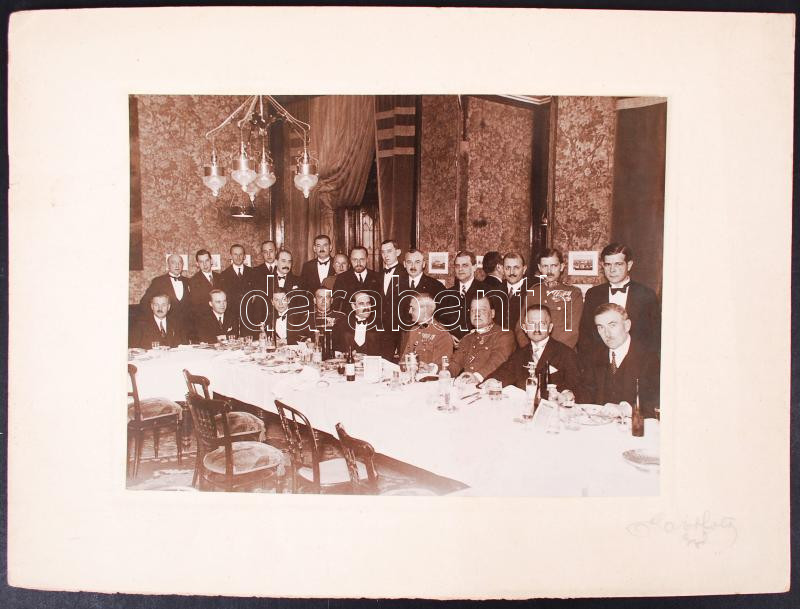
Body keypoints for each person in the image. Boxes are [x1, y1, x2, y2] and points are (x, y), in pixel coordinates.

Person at [578, 243, 661, 360]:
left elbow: (655, 335)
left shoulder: (646, 294)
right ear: (602, 265)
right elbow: (585, 333)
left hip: (637, 361)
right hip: (601, 362)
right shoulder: (593, 294)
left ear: (629, 265)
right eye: (608, 264)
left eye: (618, 264)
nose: (612, 270)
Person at [581, 303, 660, 417]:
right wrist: (570, 395)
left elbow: (654, 401)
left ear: (627, 325)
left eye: (612, 325)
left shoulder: (648, 358)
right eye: (601, 327)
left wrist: (626, 409)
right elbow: (587, 392)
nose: (606, 333)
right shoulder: (594, 355)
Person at [488, 304, 581, 394]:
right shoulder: (519, 355)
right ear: (525, 328)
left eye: (542, 323)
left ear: (550, 328)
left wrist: (567, 393)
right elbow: (502, 374)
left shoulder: (566, 354)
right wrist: (492, 381)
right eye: (532, 324)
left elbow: (577, 387)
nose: (536, 328)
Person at [448, 296, 515, 382]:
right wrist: (446, 373)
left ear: (492, 313)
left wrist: (477, 377)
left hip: (490, 385)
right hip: (467, 384)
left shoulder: (504, 335)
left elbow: (496, 361)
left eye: (482, 310)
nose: (476, 314)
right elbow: (455, 363)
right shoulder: (467, 338)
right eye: (473, 310)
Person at [435, 250, 487, 339]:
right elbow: (438, 322)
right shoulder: (446, 295)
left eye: (465, 265)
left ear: (474, 267)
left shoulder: (486, 291)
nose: (460, 269)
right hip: (451, 344)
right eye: (457, 266)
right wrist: (447, 336)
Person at [398, 291, 453, 371]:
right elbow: (403, 360)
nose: (409, 311)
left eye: (413, 308)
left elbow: (443, 368)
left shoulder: (442, 334)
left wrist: (428, 368)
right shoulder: (413, 330)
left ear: (425, 310)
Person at [332, 290, 393, 360]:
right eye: (361, 304)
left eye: (368, 303)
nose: (366, 307)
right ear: (353, 306)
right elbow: (335, 350)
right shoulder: (341, 324)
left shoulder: (382, 325)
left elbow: (387, 354)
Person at [139, 254, 192, 325]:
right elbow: (144, 302)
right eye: (173, 262)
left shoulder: (189, 281)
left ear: (182, 265)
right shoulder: (158, 281)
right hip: (168, 325)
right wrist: (155, 321)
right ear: (168, 265)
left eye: (180, 262)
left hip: (187, 325)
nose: (177, 265)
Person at [378, 239, 408, 354]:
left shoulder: (406, 274)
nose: (385, 255)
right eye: (383, 252)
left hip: (399, 329)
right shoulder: (379, 275)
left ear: (398, 252)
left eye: (389, 251)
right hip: (382, 330)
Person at [332, 246, 381, 314]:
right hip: (349, 319)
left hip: (373, 319)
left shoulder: (378, 277)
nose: (358, 263)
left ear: (367, 259)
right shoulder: (341, 278)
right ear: (350, 260)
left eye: (362, 259)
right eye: (355, 260)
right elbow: (336, 305)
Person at [219, 244, 257, 329]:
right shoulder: (224, 275)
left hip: (250, 317)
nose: (238, 257)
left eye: (240, 254)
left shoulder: (253, 273)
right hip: (232, 317)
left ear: (244, 256)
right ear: (230, 256)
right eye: (235, 254)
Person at [188, 249, 220, 336]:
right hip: (204, 324)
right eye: (201, 262)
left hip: (221, 321)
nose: (205, 264)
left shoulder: (220, 277)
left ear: (211, 261)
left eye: (207, 260)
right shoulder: (193, 281)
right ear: (197, 264)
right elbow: (196, 306)